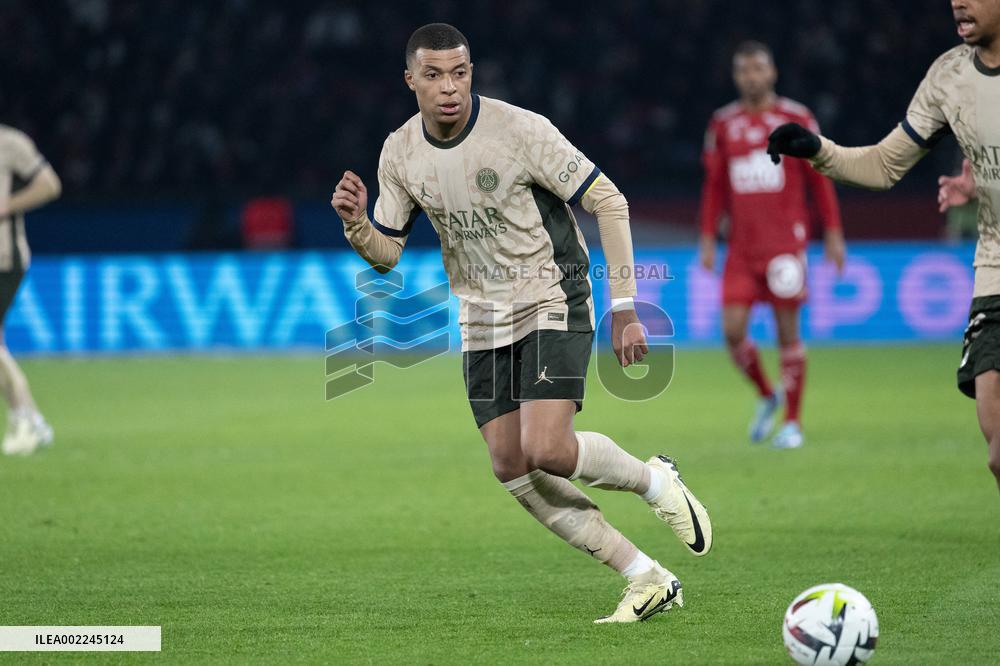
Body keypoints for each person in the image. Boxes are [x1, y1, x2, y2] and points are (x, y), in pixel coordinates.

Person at [331, 23, 712, 623]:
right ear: (410, 80)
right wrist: (357, 225)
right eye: (433, 76)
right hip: (481, 317)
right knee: (510, 463)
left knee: (548, 448)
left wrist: (625, 307)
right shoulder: (399, 152)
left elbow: (608, 200)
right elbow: (388, 254)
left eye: (459, 72)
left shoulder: (520, 130)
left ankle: (652, 481)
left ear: (472, 73)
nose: (449, 87)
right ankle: (645, 575)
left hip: (551, 296)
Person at [767, 0, 1000, 490]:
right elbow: (884, 165)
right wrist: (817, 149)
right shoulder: (948, 77)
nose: (959, 2)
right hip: (995, 266)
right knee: (997, 450)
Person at [699, 41, 844, 450]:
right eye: (743, 70)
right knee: (731, 331)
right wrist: (708, 237)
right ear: (735, 76)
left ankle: (793, 422)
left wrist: (833, 232)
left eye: (758, 69)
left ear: (772, 73)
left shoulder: (796, 119)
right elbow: (715, 186)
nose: (751, 77)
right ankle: (767, 395)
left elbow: (821, 176)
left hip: (785, 245)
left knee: (787, 333)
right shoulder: (723, 124)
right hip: (741, 251)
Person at [0, 125, 60, 455]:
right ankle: (31, 419)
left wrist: (7, 206)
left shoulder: (10, 144)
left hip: (4, 259)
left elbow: (50, 185)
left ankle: (26, 420)